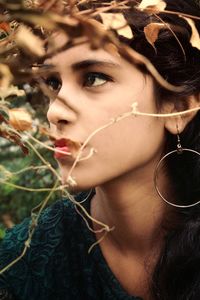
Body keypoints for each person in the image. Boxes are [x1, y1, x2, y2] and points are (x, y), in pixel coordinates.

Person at [0, 0, 200, 299]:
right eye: (53, 82)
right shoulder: (24, 261)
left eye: (93, 78)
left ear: (177, 109)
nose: (55, 111)